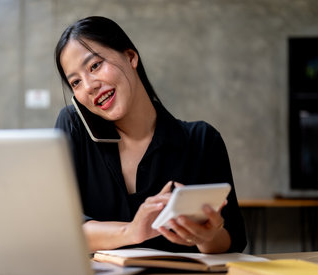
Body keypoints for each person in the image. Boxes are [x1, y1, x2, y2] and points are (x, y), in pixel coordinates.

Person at [54, 16, 246, 254]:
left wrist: (208, 235)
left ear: (131, 57)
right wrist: (132, 231)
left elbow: (233, 240)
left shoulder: (201, 140)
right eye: (75, 82)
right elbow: (61, 230)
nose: (89, 86)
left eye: (95, 66)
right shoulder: (73, 126)